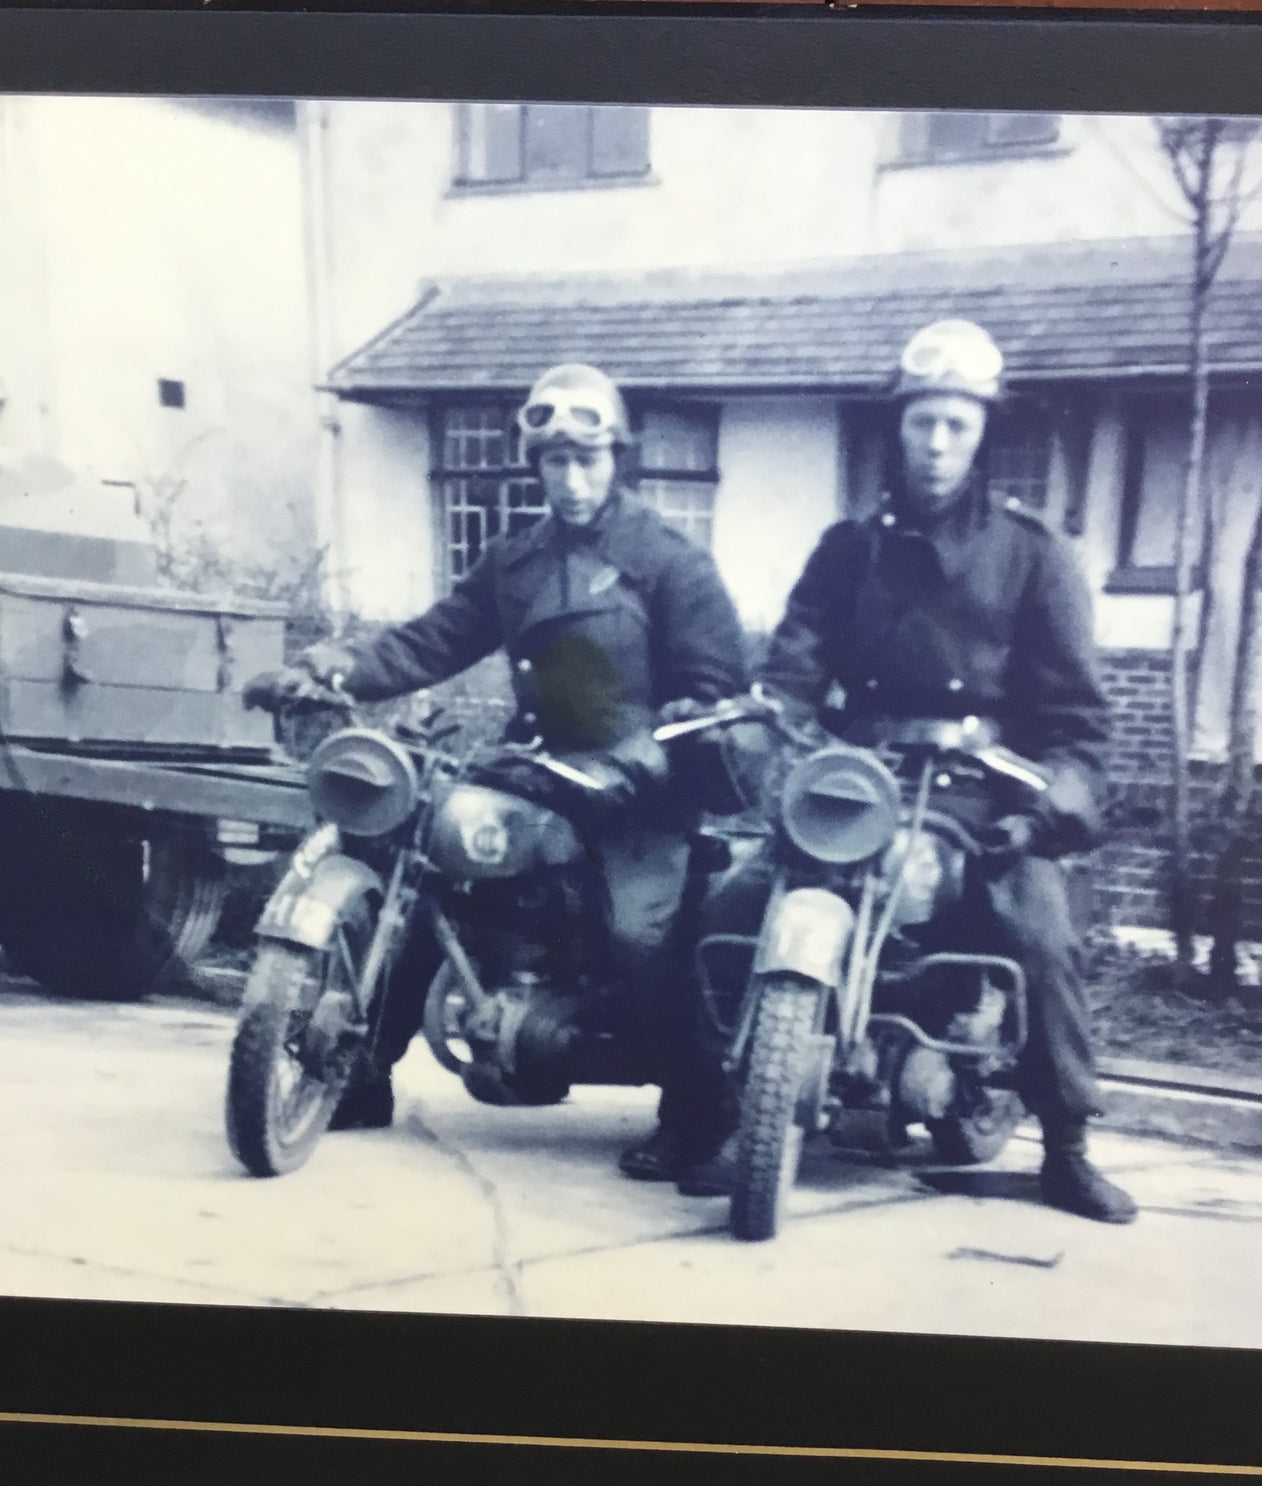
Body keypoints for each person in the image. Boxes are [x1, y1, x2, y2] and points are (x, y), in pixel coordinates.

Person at [674, 318, 1137, 1224]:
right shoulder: (848, 548)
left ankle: (1066, 1146)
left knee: (1041, 935)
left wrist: (1046, 812)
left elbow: (1078, 723)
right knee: (729, 906)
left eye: (955, 425)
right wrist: (775, 723)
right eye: (921, 421)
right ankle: (728, 1110)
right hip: (854, 781)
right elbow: (795, 668)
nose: (934, 443)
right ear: (897, 425)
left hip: (980, 791)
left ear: (983, 433)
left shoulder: (1031, 555)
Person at [261, 362, 749, 1152]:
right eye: (555, 460)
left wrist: (649, 747)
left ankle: (697, 1112)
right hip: (540, 769)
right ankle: (360, 1071)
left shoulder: (669, 560)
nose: (571, 477)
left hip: (643, 789)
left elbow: (716, 687)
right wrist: (331, 667)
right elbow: (433, 639)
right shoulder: (515, 560)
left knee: (640, 933)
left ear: (617, 458)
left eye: (587, 458)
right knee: (425, 867)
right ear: (538, 466)